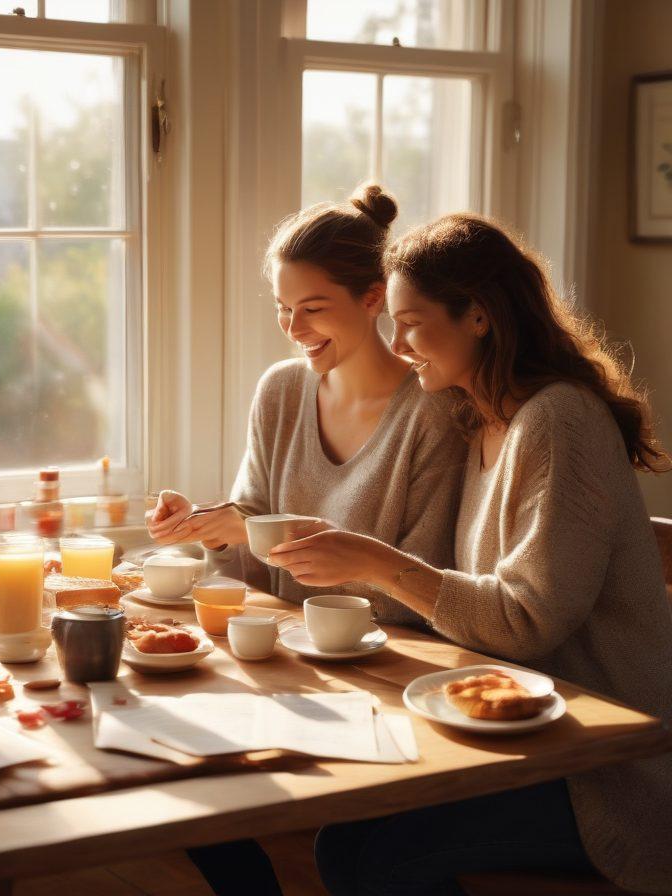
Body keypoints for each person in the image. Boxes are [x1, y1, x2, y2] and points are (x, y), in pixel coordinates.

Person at [273, 213, 672, 894]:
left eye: (411, 322)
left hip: (606, 772)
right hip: (513, 738)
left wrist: (374, 561)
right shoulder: (481, 416)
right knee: (346, 832)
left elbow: (527, 620)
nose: (397, 346)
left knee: (375, 854)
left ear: (479, 318)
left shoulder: (558, 420)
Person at [147, 184, 466, 629]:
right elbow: (251, 562)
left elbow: (420, 593)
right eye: (283, 308)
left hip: (393, 663)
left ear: (373, 298)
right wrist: (211, 530)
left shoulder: (432, 412)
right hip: (286, 656)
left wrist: (256, 533)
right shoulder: (280, 390)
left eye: (313, 309)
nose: (295, 329)